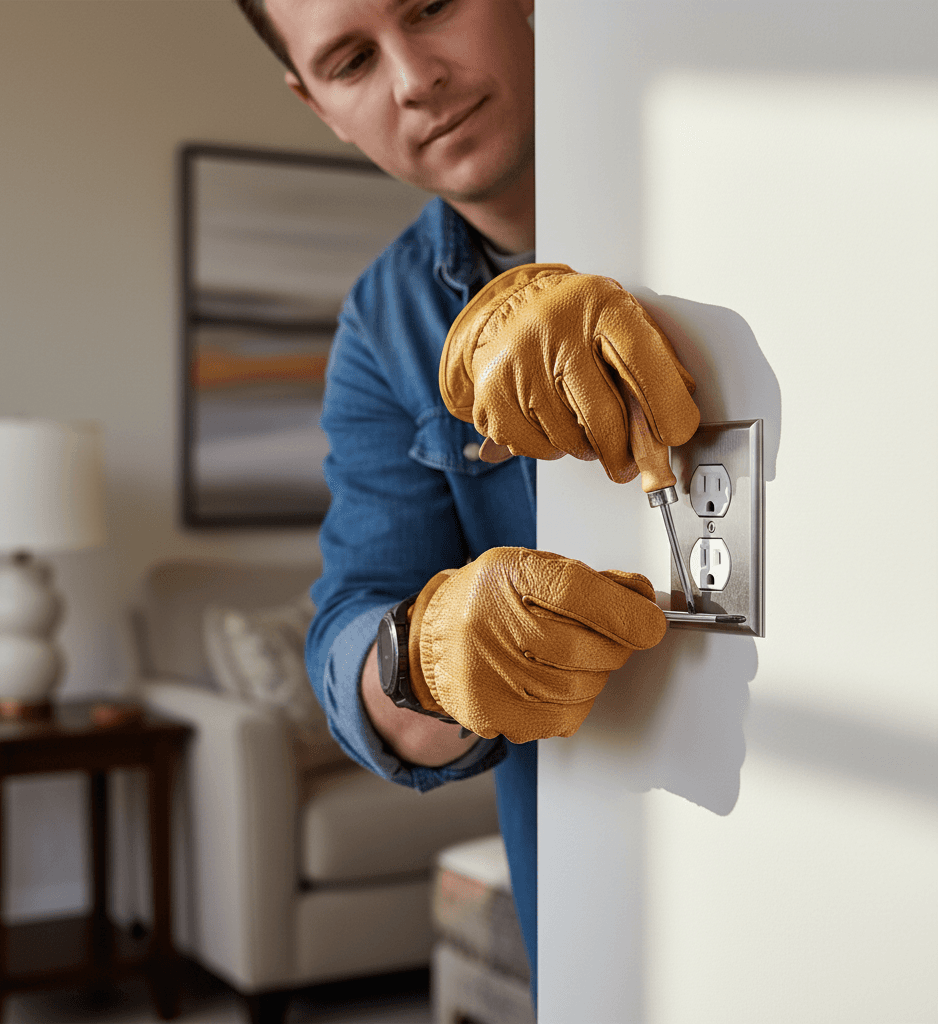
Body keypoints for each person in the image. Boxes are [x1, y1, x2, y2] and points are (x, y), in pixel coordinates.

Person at [233, 0, 699, 1004]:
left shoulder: (747, 140)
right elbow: (351, 621)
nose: (413, 78)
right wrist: (424, 656)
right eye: (352, 60)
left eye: (431, 5)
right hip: (595, 895)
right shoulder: (382, 323)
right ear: (316, 105)